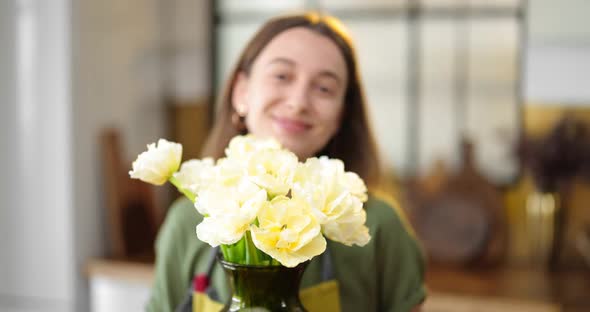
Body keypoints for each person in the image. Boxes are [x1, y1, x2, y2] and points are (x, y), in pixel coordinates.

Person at [147, 12, 426, 312]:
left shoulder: (377, 226)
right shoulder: (187, 222)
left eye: (324, 88)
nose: (298, 101)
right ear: (241, 92)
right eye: (282, 76)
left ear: (341, 116)